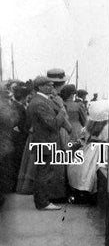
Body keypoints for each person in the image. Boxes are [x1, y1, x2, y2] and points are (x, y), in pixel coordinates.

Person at [26, 76, 68, 210]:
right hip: (46, 143)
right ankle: (43, 203)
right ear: (40, 87)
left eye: (52, 85)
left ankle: (42, 201)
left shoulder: (40, 100)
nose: (52, 87)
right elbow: (54, 124)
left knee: (43, 172)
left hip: (44, 142)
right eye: (48, 85)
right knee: (44, 173)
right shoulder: (40, 102)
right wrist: (62, 111)